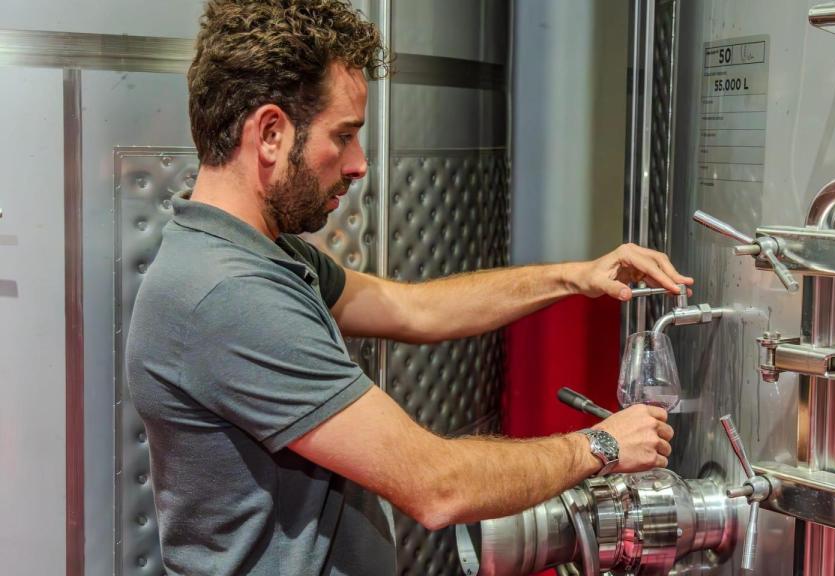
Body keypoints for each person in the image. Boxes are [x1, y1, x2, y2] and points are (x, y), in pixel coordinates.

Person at [126, 1, 694, 574]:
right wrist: (599, 446)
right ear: (270, 133)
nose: (359, 164)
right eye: (343, 136)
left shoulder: (260, 252)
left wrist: (574, 276)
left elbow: (411, 308)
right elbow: (435, 485)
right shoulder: (229, 295)